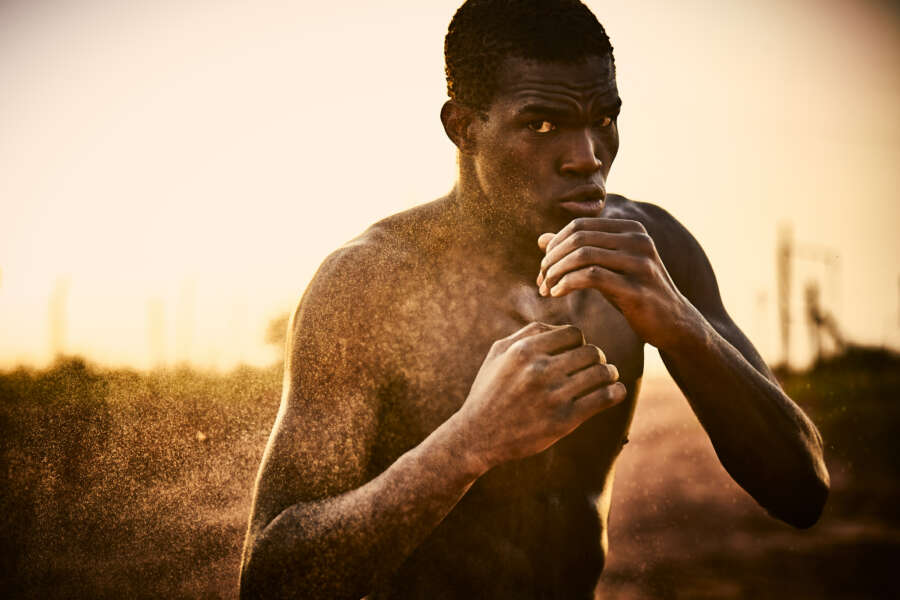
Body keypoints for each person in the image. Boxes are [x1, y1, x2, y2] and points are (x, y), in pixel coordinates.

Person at [239, 1, 829, 597]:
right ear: (463, 128)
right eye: (542, 124)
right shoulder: (372, 282)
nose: (587, 157)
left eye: (603, 118)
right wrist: (466, 446)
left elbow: (803, 493)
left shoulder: (656, 250)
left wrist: (681, 324)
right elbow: (270, 580)